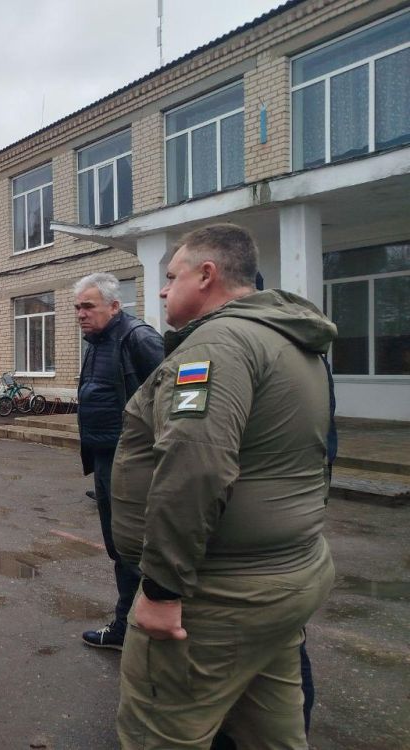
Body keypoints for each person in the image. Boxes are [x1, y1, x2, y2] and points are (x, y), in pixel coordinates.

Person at [111, 224, 336, 749]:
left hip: (217, 597)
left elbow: (195, 465)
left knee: (158, 733)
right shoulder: (289, 340)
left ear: (206, 275)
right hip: (287, 577)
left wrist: (162, 589)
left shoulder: (215, 345)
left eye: (171, 277)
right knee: (273, 735)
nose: (163, 291)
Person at [73, 273, 163, 650]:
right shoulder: (97, 341)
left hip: (133, 461)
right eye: (77, 307)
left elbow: (168, 400)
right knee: (118, 546)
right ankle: (131, 625)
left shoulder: (138, 338)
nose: (80, 314)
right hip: (106, 455)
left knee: (132, 547)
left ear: (114, 305)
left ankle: (137, 628)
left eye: (88, 306)